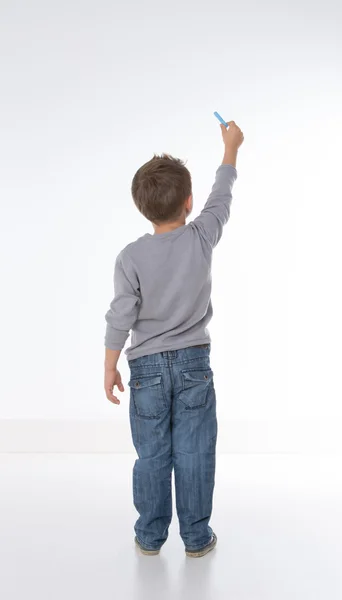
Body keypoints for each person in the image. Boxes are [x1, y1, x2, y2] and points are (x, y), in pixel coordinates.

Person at [103, 120, 244, 558]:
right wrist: (230, 149)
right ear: (188, 203)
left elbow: (120, 314)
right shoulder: (201, 236)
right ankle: (197, 538)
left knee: (151, 456)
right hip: (192, 366)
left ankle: (149, 536)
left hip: (144, 369)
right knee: (196, 452)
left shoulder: (130, 257)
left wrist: (109, 364)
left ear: (141, 207)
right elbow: (222, 198)